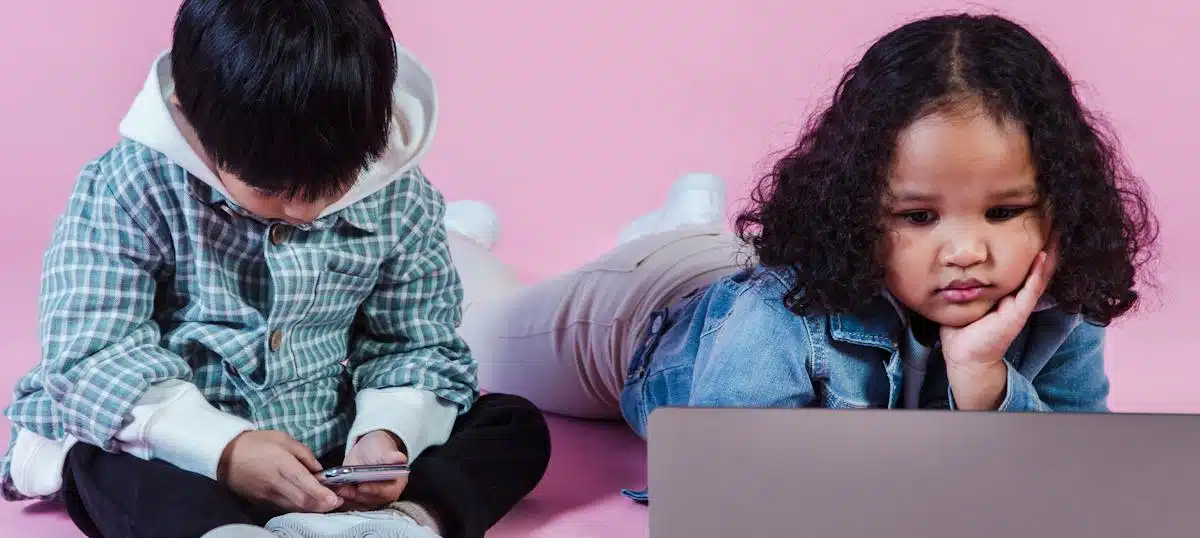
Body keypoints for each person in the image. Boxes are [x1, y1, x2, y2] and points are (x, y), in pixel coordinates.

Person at [451, 13, 1159, 503]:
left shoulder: (1059, 301)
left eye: (1004, 212)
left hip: (733, 270)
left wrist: (986, 380)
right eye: (918, 217)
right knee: (467, 327)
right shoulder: (776, 318)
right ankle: (457, 233)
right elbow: (717, 491)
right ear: (857, 210)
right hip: (640, 319)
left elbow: (1077, 484)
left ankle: (684, 216)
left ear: (1058, 201)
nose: (968, 252)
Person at [0, 1, 550, 538]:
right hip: (178, 451)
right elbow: (94, 355)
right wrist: (225, 449)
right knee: (100, 460)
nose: (304, 212)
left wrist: (388, 434)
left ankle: (393, 534)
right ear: (188, 118)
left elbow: (415, 343)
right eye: (269, 190)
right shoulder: (129, 186)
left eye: (332, 185)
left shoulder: (402, 194)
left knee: (514, 426)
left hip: (328, 457)